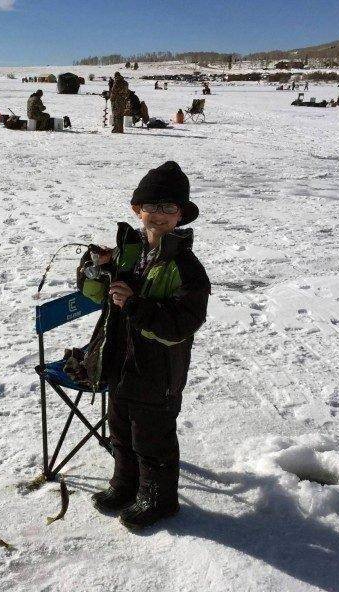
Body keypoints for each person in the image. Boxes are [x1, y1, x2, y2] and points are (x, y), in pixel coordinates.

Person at [77, 161, 210, 531]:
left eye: (170, 208)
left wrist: (136, 304)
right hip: (120, 361)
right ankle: (126, 485)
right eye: (153, 206)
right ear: (138, 209)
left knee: (153, 438)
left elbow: (183, 322)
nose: (161, 215)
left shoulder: (185, 265)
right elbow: (92, 295)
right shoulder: (128, 253)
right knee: (119, 428)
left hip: (158, 371)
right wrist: (95, 268)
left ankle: (159, 499)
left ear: (181, 214)